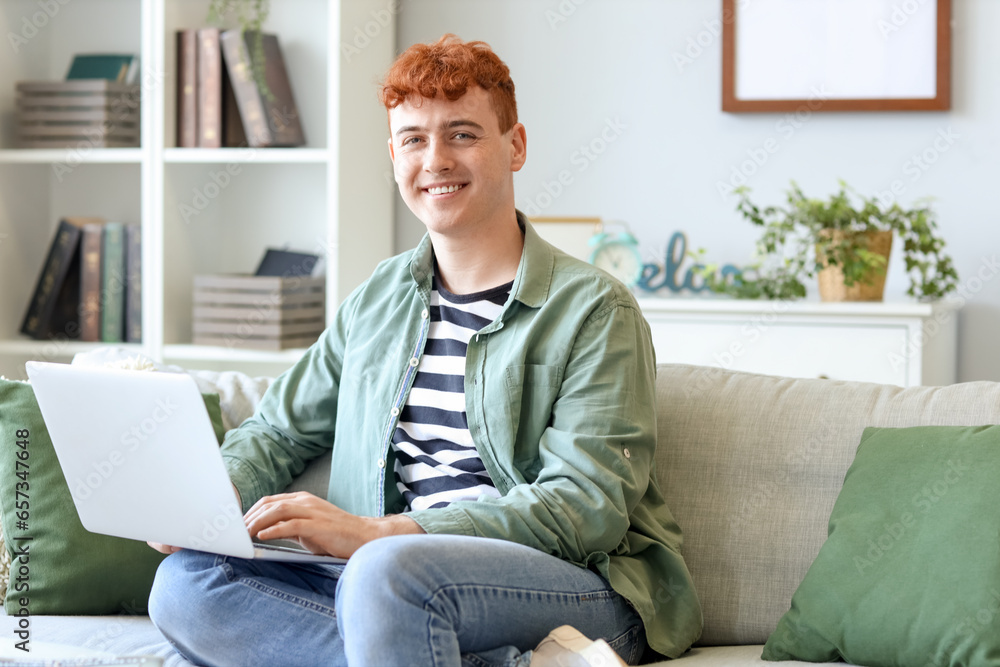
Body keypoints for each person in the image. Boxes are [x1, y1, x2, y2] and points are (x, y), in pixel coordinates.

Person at [147, 34, 702, 667]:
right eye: (413, 139)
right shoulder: (377, 299)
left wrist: (382, 534)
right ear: (393, 156)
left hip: (574, 586)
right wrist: (206, 501)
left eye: (462, 134)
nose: (435, 159)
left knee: (387, 576)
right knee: (187, 585)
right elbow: (277, 430)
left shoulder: (595, 309)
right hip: (379, 582)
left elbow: (584, 509)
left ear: (514, 146)